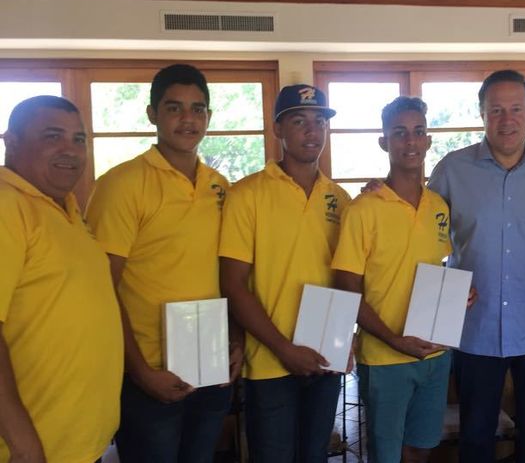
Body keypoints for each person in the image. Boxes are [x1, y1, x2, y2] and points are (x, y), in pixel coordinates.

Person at [86, 64, 240, 463]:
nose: (188, 119)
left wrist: (236, 341)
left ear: (208, 116)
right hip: (150, 372)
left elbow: (231, 275)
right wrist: (140, 371)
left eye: (198, 109)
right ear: (152, 114)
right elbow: (100, 287)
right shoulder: (121, 184)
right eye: (174, 108)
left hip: (210, 364)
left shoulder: (220, 186)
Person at [427, 69, 525, 463]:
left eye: (516, 109)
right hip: (474, 329)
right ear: (482, 114)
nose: (507, 119)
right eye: (496, 110)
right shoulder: (451, 171)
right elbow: (421, 236)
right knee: (475, 437)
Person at [219, 84, 350, 462]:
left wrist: (345, 340)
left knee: (315, 455)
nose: (312, 131)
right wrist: (284, 349)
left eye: (319, 121)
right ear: (278, 129)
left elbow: (348, 279)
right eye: (299, 121)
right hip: (269, 363)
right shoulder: (247, 194)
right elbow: (232, 284)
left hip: (325, 358)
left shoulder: (340, 199)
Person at [0, 96, 123, 463]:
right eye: (53, 136)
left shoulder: (66, 207)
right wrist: (23, 446)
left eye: (78, 139)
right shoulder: (7, 206)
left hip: (77, 442)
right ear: (11, 142)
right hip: (31, 450)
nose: (70, 150)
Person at [333, 96, 452, 463]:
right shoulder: (363, 209)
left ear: (428, 140)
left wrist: (461, 295)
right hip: (384, 357)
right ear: (384, 141)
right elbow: (347, 287)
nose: (410, 141)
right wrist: (394, 339)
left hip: (435, 351)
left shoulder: (438, 206)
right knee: (386, 453)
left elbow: (437, 267)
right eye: (399, 133)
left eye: (418, 131)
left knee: (421, 447)